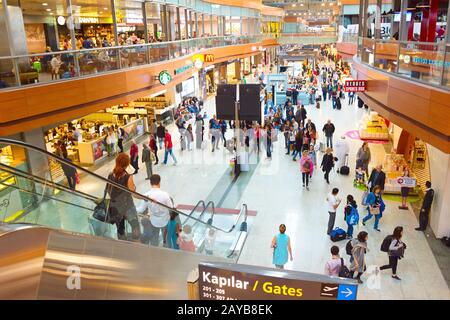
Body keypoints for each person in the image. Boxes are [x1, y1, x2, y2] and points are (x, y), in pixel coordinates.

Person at [107, 153, 141, 241]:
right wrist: (145, 198)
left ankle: (122, 244)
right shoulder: (128, 177)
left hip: (116, 207)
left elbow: (108, 191)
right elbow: (133, 193)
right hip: (127, 206)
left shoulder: (110, 175)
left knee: (120, 228)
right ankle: (136, 242)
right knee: (135, 225)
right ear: (127, 164)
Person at [142, 174, 174, 246]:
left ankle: (154, 252)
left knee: (154, 239)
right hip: (165, 220)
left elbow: (141, 209)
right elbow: (171, 208)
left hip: (153, 221)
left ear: (150, 183)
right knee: (166, 238)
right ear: (159, 182)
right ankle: (166, 248)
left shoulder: (146, 195)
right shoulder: (165, 195)